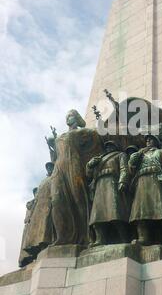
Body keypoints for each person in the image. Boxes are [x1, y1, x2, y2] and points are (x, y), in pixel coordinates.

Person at [51, 110, 103, 246]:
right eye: (67, 116)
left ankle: (87, 235)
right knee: (56, 200)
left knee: (79, 199)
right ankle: (62, 236)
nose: (68, 118)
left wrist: (100, 120)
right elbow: (54, 156)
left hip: (74, 165)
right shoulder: (60, 137)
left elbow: (98, 135)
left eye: (71, 116)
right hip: (59, 168)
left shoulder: (80, 133)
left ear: (77, 118)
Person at [129, 135, 162, 248]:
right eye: (147, 140)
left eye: (151, 139)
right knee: (141, 210)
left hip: (158, 182)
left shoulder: (161, 152)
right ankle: (144, 237)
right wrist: (138, 153)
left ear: (156, 142)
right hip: (142, 182)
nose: (148, 141)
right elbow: (131, 165)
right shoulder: (140, 154)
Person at [87, 141, 131, 246]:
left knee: (115, 212)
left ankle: (123, 238)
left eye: (110, 146)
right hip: (99, 185)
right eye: (106, 146)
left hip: (112, 183)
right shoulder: (99, 159)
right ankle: (99, 239)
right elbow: (89, 175)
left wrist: (123, 181)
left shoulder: (120, 155)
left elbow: (124, 169)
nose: (108, 148)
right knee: (97, 214)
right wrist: (89, 165)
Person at [24, 163, 55, 258]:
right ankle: (35, 249)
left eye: (51, 167)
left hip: (48, 204)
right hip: (38, 207)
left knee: (45, 226)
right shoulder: (43, 181)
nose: (49, 169)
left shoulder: (54, 177)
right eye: (48, 167)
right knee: (37, 229)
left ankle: (44, 245)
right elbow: (36, 197)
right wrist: (31, 213)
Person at [18, 188, 38, 268]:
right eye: (36, 192)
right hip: (29, 225)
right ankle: (24, 260)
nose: (37, 194)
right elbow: (29, 206)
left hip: (34, 225)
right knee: (27, 244)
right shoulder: (31, 203)